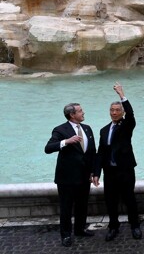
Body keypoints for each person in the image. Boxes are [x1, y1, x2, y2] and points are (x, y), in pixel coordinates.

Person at [93, 82, 142, 241]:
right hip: (109, 171)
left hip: (125, 169)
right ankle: (113, 226)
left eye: (117, 110)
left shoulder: (127, 125)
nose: (114, 113)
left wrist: (122, 94)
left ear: (122, 112)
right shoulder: (104, 130)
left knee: (129, 199)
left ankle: (135, 226)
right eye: (112, 110)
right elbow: (100, 152)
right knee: (111, 200)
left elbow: (131, 113)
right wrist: (96, 172)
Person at [44, 103, 97, 247]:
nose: (83, 112)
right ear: (72, 115)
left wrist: (94, 172)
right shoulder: (60, 130)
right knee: (66, 207)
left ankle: (80, 229)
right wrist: (66, 141)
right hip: (67, 178)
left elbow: (92, 152)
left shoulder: (87, 128)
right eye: (80, 111)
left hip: (84, 177)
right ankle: (66, 235)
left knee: (82, 205)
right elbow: (48, 148)